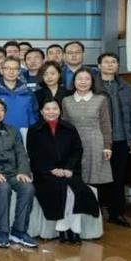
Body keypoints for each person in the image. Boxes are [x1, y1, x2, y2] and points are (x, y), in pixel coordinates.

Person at [27, 98, 100, 244]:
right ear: (41, 112)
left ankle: (72, 229)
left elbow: (77, 150)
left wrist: (69, 168)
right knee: (61, 188)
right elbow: (34, 154)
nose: (51, 112)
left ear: (60, 111)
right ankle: (65, 229)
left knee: (76, 190)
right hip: (45, 173)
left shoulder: (69, 128)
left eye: (54, 109)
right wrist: (51, 169)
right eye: (47, 109)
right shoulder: (34, 130)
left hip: (69, 171)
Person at [0, 98, 38, 249]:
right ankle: (2, 232)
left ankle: (19, 231)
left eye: (1, 110)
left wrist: (23, 171)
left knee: (28, 188)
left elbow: (21, 153)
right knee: (3, 187)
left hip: (12, 173)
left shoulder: (12, 130)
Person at [95, 52, 131, 228]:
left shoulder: (125, 86)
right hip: (99, 139)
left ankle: (117, 213)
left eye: (113, 62)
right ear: (99, 66)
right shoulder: (93, 85)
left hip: (122, 138)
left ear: (117, 66)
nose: (110, 65)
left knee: (119, 177)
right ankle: (96, 213)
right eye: (106, 62)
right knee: (98, 176)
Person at [61, 68, 113, 206]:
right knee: (76, 178)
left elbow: (105, 124)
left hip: (95, 144)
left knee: (94, 180)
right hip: (74, 145)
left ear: (92, 82)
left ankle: (95, 211)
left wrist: (107, 146)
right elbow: (65, 125)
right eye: (79, 79)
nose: (83, 82)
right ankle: (79, 213)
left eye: (87, 79)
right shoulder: (66, 101)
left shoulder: (100, 99)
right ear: (74, 82)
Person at [0, 57, 38, 131]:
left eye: (15, 69)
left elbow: (34, 116)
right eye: (7, 68)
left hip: (23, 134)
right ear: (1, 71)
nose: (11, 72)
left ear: (19, 71)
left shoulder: (28, 92)